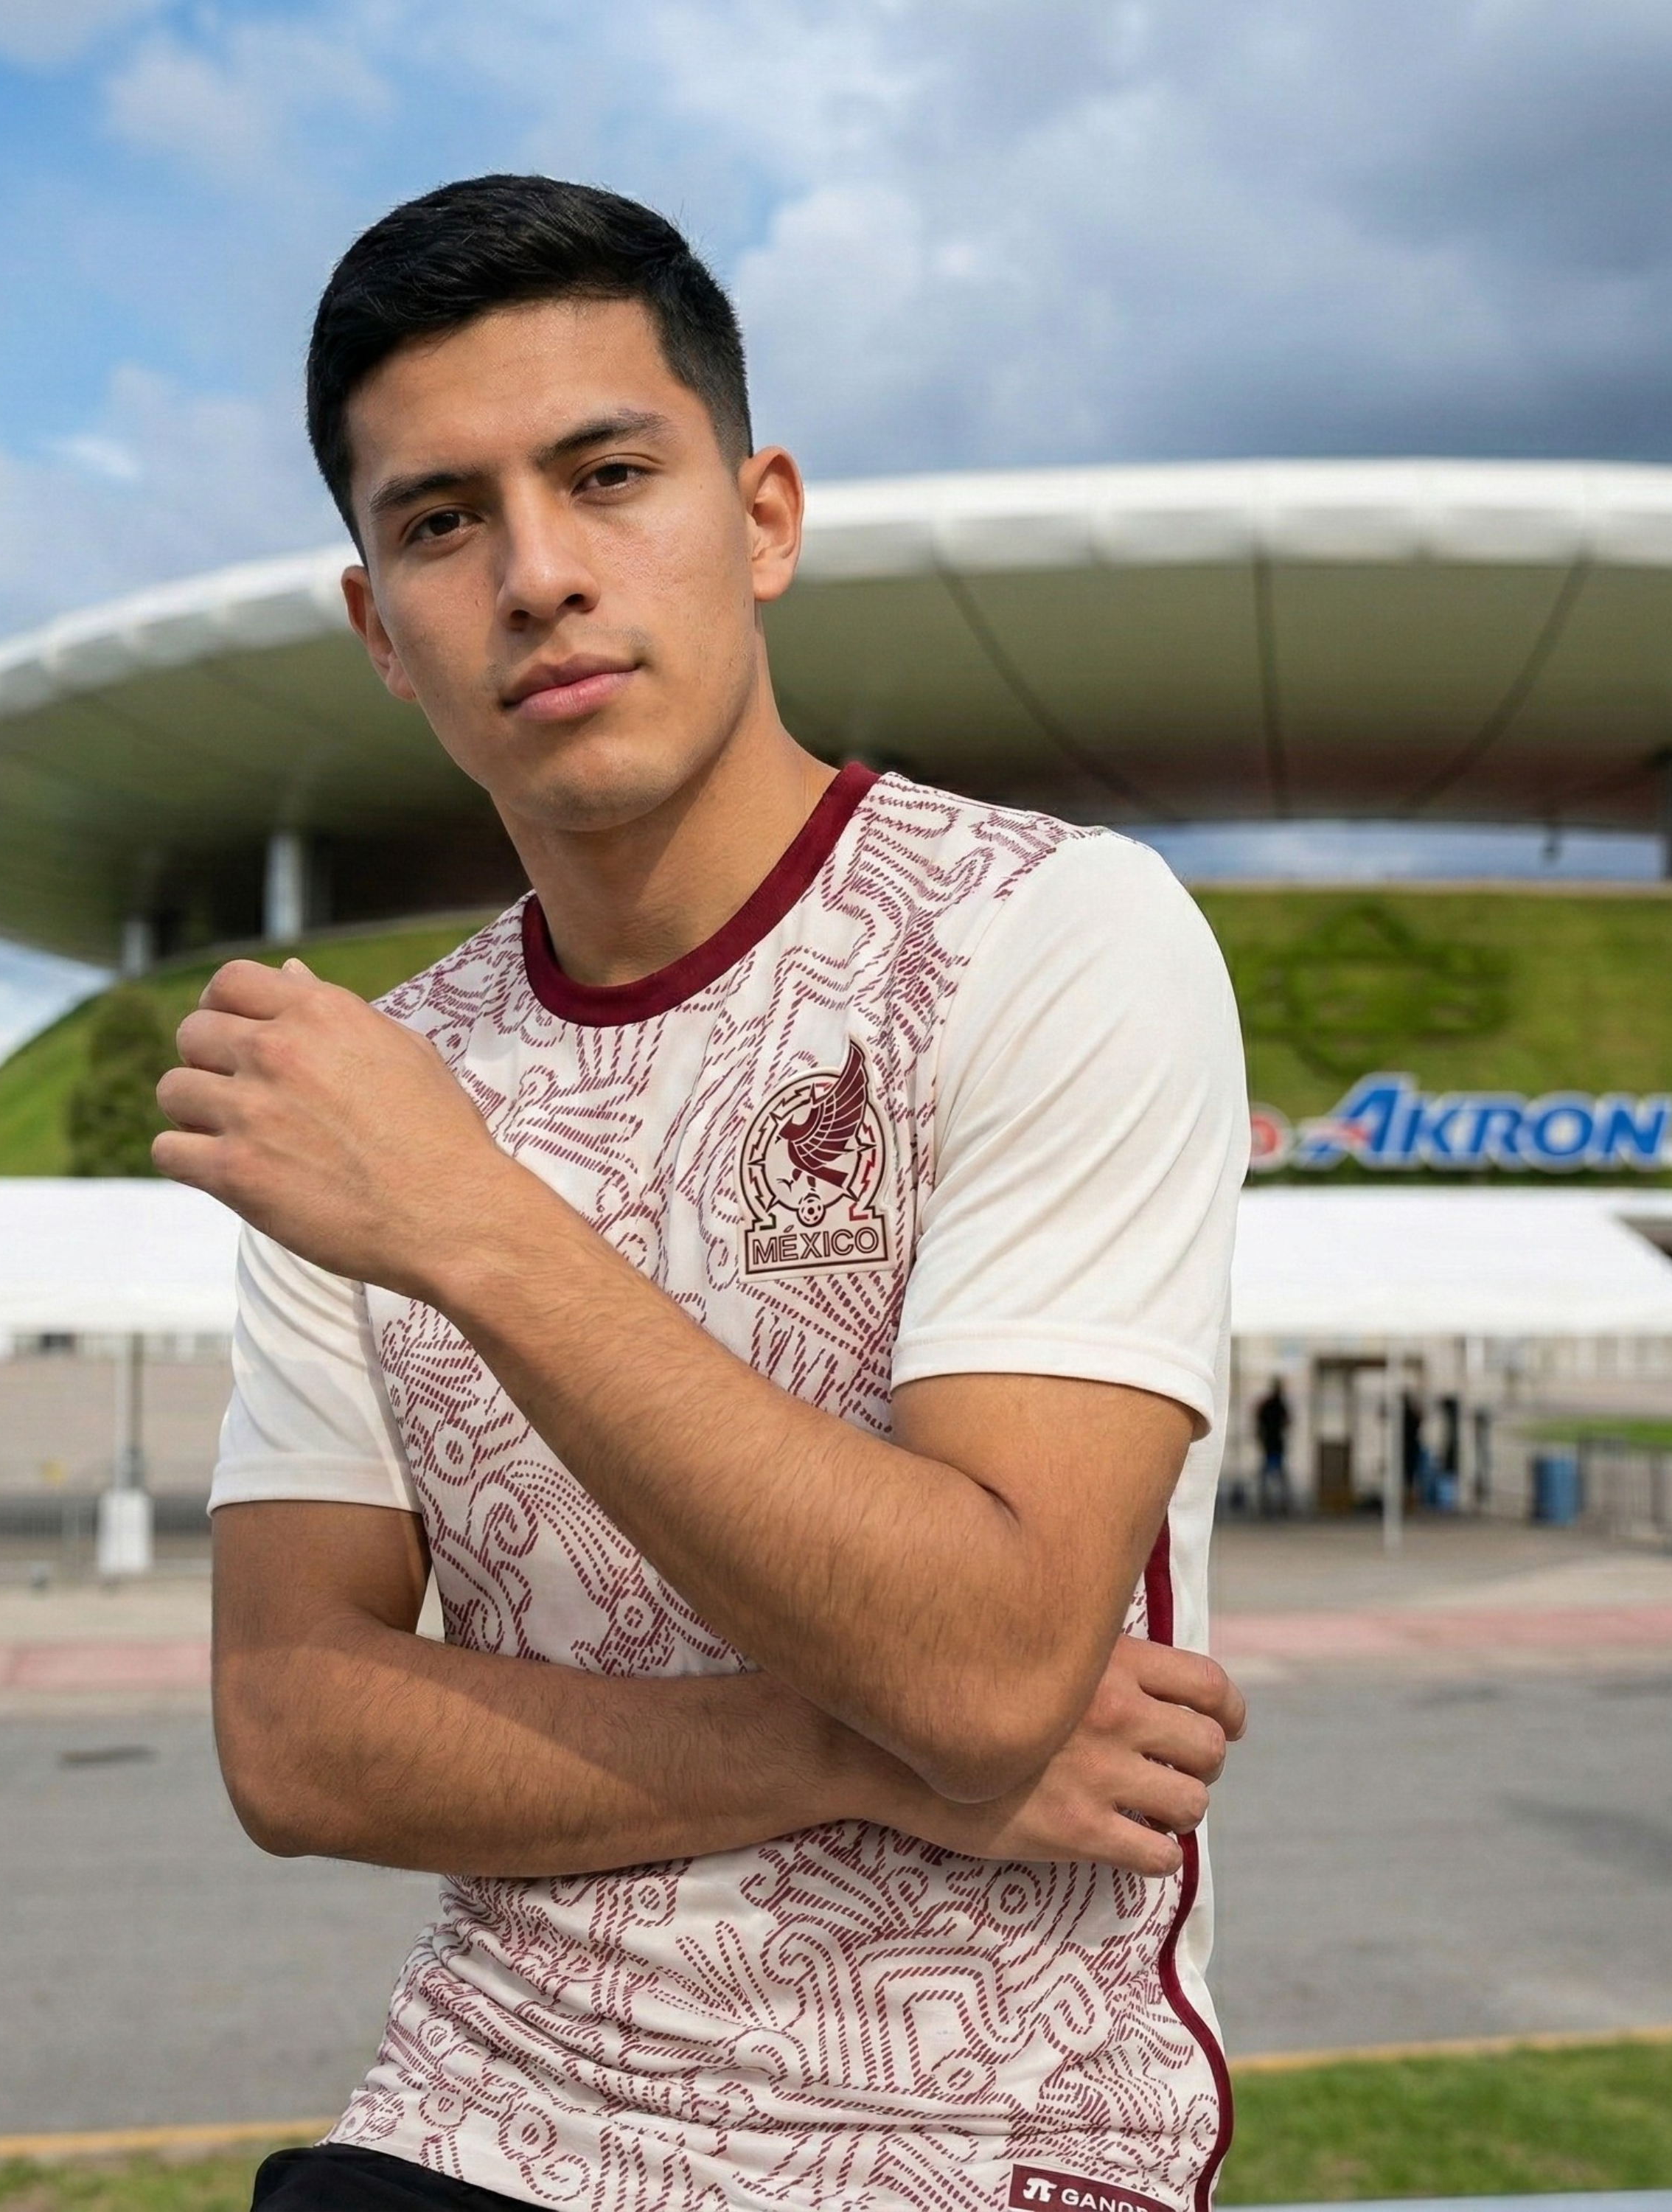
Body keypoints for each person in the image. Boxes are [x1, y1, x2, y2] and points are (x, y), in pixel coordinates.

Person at [156, 174, 1250, 2212]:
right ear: (377, 624)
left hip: (975, 2137)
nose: (539, 575)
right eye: (442, 521)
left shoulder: (1052, 935)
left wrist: (474, 1227)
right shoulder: (373, 1092)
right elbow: (294, 1730)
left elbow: (994, 1666)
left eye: (608, 473)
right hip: (475, 2113)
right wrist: (845, 1753)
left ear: (762, 519)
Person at [1254, 1377, 1292, 1517]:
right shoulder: (1279, 1405)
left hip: (1270, 1444)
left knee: (1268, 1477)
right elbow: (1288, 1422)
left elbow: (1258, 1424)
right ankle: (1279, 1505)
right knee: (1278, 1477)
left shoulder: (1268, 1405)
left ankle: (1267, 1505)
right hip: (1275, 1445)